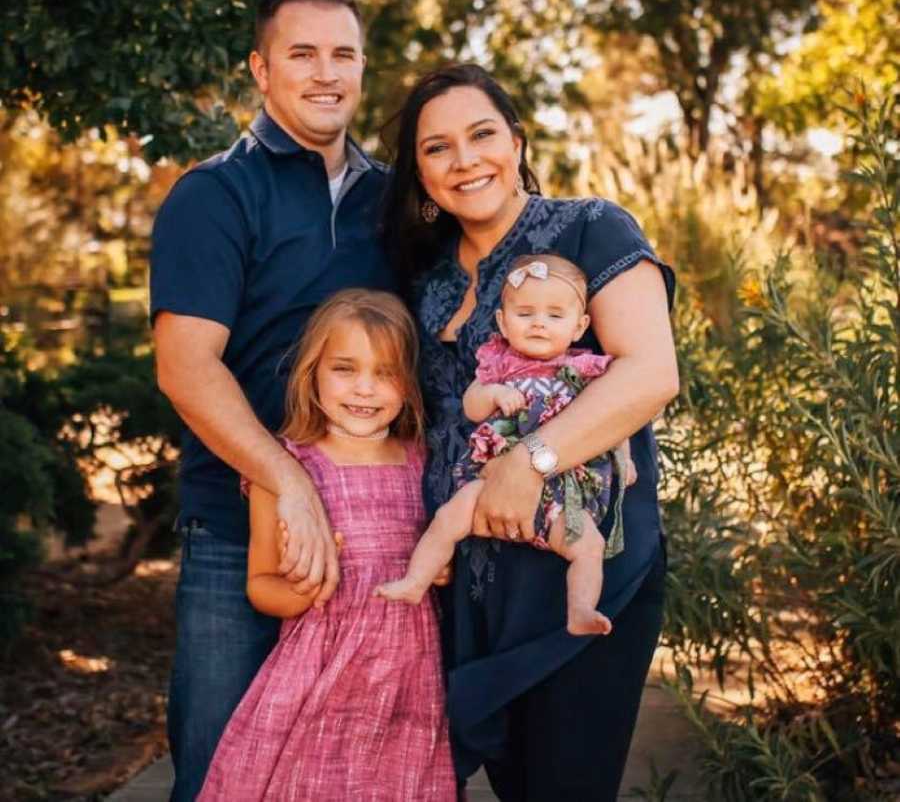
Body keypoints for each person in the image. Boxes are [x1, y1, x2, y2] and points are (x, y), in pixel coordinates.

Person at [380, 63, 678, 801]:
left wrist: (530, 461)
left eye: (482, 134)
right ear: (419, 174)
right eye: (437, 148)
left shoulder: (589, 227)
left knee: (565, 784)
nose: (465, 159)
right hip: (474, 588)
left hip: (578, 561)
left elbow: (649, 374)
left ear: (515, 142)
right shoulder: (424, 277)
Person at [150, 0, 393, 800]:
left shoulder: (397, 201)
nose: (326, 73)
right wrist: (286, 480)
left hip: (376, 535)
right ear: (261, 69)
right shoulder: (215, 195)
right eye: (302, 53)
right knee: (223, 773)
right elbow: (186, 366)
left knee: (360, 772)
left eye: (344, 54)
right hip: (236, 532)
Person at [197, 289, 455, 801]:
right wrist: (309, 590)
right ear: (312, 372)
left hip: (409, 679)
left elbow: (441, 551)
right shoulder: (286, 469)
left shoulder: (425, 463)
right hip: (317, 677)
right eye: (344, 368)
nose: (365, 388)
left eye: (386, 372)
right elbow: (261, 585)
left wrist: (438, 569)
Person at [376, 252, 637, 637]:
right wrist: (494, 394)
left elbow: (615, 418)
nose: (538, 324)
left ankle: (580, 608)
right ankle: (416, 581)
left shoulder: (585, 370)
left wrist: (623, 458)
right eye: (525, 313)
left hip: (562, 490)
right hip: (493, 479)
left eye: (554, 315)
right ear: (502, 321)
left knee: (588, 547)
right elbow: (471, 404)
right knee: (448, 519)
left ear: (580, 326)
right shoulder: (499, 365)